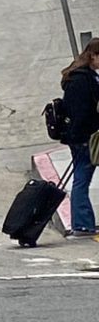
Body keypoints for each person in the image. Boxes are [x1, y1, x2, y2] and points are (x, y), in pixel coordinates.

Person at [60, 39, 99, 236]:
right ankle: (82, 224)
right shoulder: (83, 80)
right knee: (82, 180)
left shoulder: (78, 76)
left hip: (79, 137)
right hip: (84, 138)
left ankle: (83, 223)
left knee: (81, 179)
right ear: (93, 56)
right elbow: (83, 112)